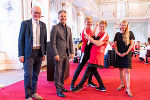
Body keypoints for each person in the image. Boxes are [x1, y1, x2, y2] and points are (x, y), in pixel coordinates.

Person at [18, 6, 47, 100]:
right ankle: (28, 95)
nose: (37, 14)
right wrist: (21, 54)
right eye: (35, 12)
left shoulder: (43, 25)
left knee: (36, 74)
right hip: (28, 53)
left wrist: (44, 53)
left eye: (39, 13)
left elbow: (44, 40)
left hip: (39, 52)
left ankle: (34, 92)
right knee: (28, 75)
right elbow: (20, 40)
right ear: (31, 12)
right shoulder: (25, 23)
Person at [72, 20, 109, 92]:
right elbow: (93, 36)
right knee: (94, 71)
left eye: (103, 27)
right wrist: (92, 37)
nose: (102, 28)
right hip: (93, 54)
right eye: (101, 26)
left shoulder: (105, 34)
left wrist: (90, 39)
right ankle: (101, 86)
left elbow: (98, 43)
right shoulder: (98, 34)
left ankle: (80, 85)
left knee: (88, 71)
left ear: (105, 27)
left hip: (97, 56)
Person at [70, 17, 98, 91]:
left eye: (91, 22)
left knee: (92, 66)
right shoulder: (85, 31)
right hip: (85, 51)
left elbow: (92, 34)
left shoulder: (90, 30)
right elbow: (90, 39)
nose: (89, 23)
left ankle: (89, 82)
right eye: (88, 22)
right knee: (80, 67)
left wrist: (96, 26)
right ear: (85, 22)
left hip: (91, 51)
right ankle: (72, 83)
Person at [50, 10, 74, 97]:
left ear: (66, 17)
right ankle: (58, 89)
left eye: (64, 16)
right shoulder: (55, 27)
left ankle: (62, 86)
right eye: (61, 16)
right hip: (58, 54)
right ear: (58, 17)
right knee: (58, 72)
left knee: (64, 71)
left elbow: (70, 41)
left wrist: (71, 52)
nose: (63, 17)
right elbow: (53, 43)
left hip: (66, 54)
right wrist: (55, 54)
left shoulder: (69, 28)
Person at [114, 20, 135, 97]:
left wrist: (126, 52)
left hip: (127, 54)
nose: (123, 26)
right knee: (120, 69)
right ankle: (122, 84)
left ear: (127, 26)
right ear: (120, 25)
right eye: (122, 25)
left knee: (127, 70)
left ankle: (128, 88)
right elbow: (115, 45)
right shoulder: (117, 34)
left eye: (125, 25)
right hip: (119, 54)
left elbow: (132, 44)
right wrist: (117, 52)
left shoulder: (130, 33)